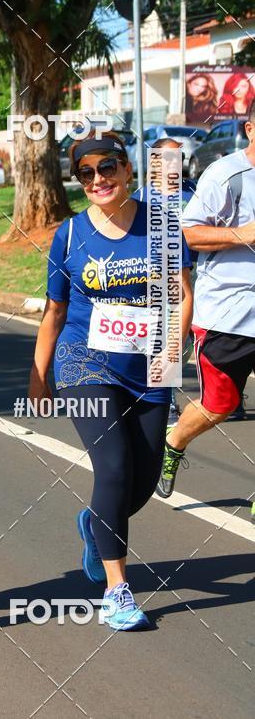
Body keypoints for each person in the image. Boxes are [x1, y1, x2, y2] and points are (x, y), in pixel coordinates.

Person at [29, 131, 193, 630]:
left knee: (141, 482)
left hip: (151, 364)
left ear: (127, 170)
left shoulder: (161, 227)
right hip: (84, 363)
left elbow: (183, 295)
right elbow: (55, 311)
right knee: (116, 468)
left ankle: (95, 525)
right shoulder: (71, 235)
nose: (98, 179)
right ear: (79, 181)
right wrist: (38, 378)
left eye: (107, 168)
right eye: (86, 173)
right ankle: (117, 590)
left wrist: (172, 348)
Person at [157, 104, 255, 498]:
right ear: (250, 129)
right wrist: (243, 234)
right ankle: (174, 441)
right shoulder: (226, 175)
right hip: (228, 315)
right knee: (221, 404)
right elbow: (188, 234)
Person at [132, 137, 197, 429]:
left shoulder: (193, 192)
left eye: (178, 157)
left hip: (196, 272)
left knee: (194, 341)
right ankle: (165, 401)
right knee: (163, 339)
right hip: (160, 278)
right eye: (167, 157)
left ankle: (220, 395)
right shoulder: (141, 198)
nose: (175, 162)